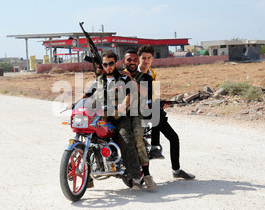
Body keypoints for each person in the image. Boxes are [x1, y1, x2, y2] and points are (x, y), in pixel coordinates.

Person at [76, 51, 144, 190]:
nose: (108, 66)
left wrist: (124, 104)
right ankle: (87, 177)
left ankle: (135, 176)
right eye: (105, 64)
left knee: (125, 138)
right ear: (103, 65)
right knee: (88, 138)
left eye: (111, 63)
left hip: (119, 117)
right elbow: (87, 95)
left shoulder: (124, 79)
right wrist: (75, 104)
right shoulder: (98, 81)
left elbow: (130, 94)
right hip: (102, 117)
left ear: (116, 63)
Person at [137, 45, 196, 180]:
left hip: (152, 111)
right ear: (139, 58)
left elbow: (152, 96)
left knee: (174, 138)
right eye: (143, 58)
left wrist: (160, 102)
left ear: (152, 59)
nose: (146, 61)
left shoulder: (152, 73)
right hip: (137, 112)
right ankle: (153, 150)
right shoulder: (133, 73)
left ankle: (176, 170)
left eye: (149, 58)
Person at [122, 49, 157, 190]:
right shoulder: (119, 76)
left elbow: (145, 94)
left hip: (137, 113)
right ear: (123, 62)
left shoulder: (145, 77)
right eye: (128, 60)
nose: (132, 62)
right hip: (120, 114)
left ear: (138, 61)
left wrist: (130, 79)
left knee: (137, 137)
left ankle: (146, 175)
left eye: (134, 59)